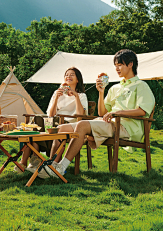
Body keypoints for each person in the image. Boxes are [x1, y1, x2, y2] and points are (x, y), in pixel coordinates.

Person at [39, 49, 155, 179]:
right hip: (109, 123)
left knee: (82, 125)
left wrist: (117, 112)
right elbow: (102, 112)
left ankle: (61, 167)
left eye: (120, 65)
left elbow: (142, 111)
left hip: (127, 128)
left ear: (131, 64)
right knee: (60, 129)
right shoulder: (115, 88)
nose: (117, 68)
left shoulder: (141, 85)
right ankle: (52, 165)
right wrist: (101, 91)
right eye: (115, 65)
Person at [14, 67, 88, 174]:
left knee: (50, 126)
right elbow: (50, 114)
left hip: (69, 124)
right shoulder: (57, 92)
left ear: (78, 80)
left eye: (72, 74)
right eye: (66, 75)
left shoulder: (81, 96)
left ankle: (50, 164)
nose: (68, 76)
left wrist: (76, 96)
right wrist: (57, 98)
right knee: (35, 122)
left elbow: (80, 115)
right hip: (54, 121)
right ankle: (25, 162)